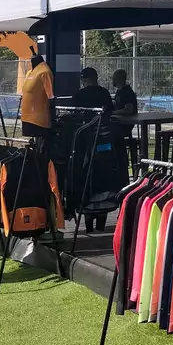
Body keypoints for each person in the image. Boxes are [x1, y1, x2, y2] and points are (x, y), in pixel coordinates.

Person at [73, 68, 114, 234]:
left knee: (86, 179)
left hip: (85, 144)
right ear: (96, 78)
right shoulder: (104, 93)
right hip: (104, 143)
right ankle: (101, 223)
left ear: (83, 80)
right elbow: (111, 113)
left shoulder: (79, 95)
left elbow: (75, 117)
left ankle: (89, 225)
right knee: (104, 179)